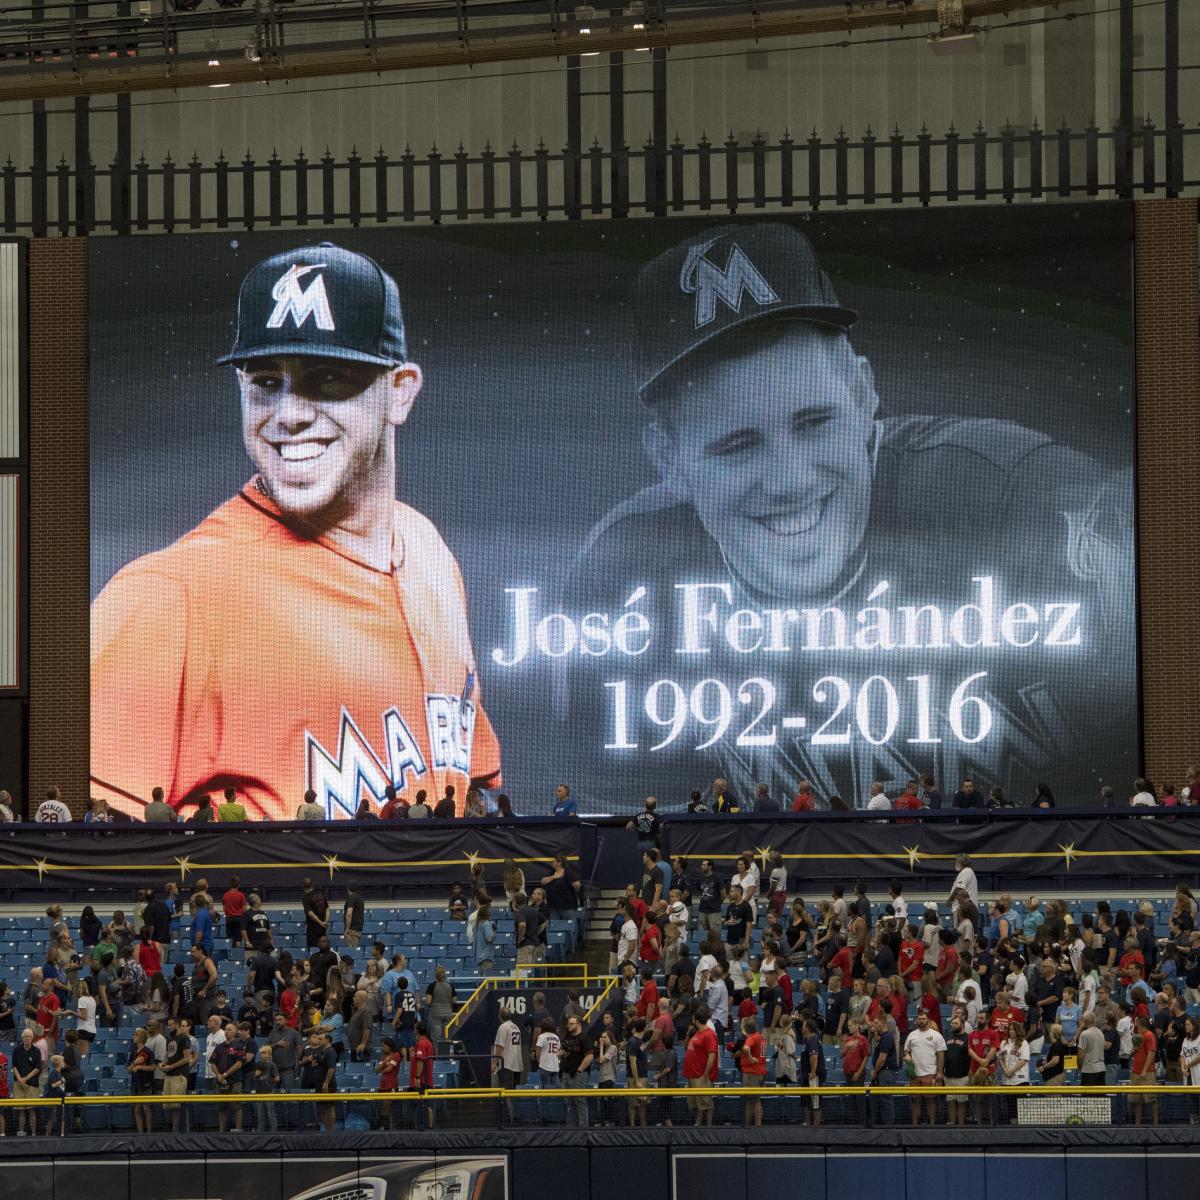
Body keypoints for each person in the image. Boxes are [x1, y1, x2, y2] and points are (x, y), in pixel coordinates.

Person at [90, 243, 502, 821]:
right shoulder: (163, 598)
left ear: (400, 391)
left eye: (327, 377)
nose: (288, 414)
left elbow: (474, 786)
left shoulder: (430, 554)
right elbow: (89, 855)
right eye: (264, 380)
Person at [903, 1008, 946, 1126]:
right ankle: (914, 1125)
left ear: (928, 1020)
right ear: (917, 1020)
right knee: (915, 1100)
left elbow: (941, 1055)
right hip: (914, 1074)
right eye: (919, 1019)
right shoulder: (912, 1035)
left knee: (930, 1100)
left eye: (923, 1019)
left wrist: (940, 1072)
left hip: (930, 1073)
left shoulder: (936, 1035)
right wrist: (907, 1056)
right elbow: (906, 1051)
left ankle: (932, 1125)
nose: (921, 1021)